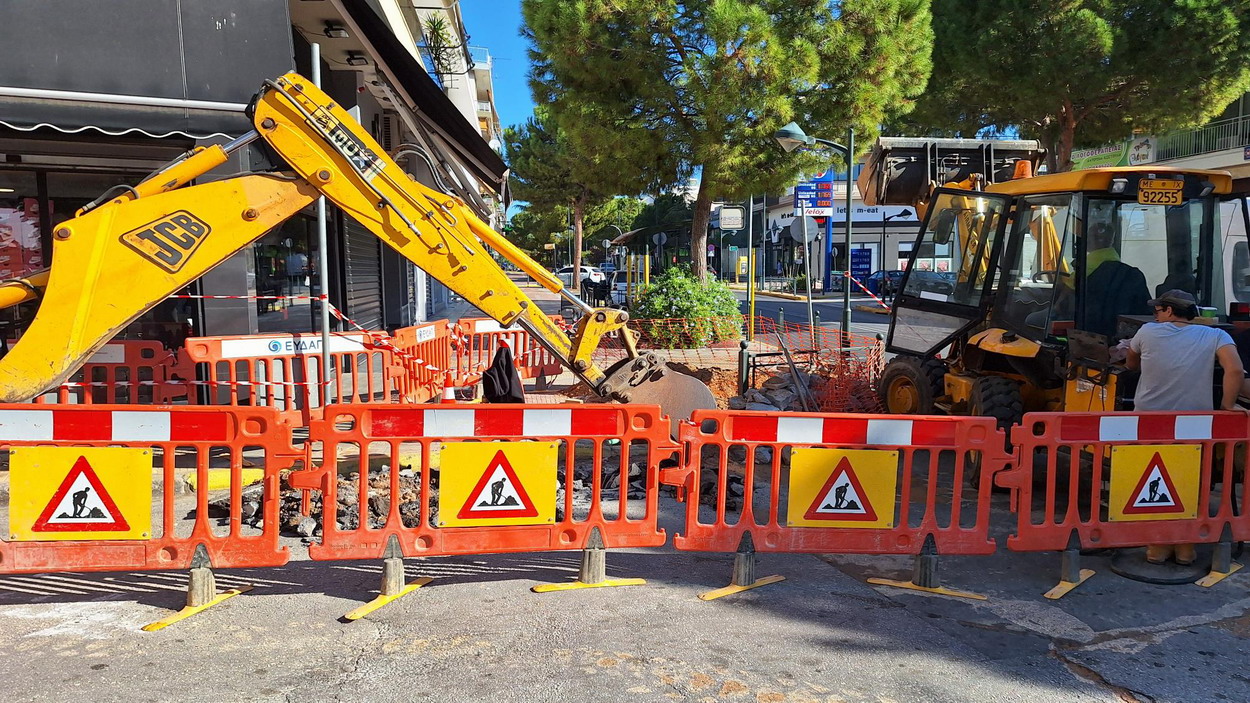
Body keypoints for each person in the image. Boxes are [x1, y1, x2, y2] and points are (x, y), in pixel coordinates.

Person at [1126, 289, 1245, 565]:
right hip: (1195, 425)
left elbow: (1131, 364)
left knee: (1152, 483)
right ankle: (1185, 549)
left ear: (1168, 310)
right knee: (1189, 483)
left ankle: (1156, 546)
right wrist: (1227, 406)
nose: (1154, 315)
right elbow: (1235, 370)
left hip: (1149, 422)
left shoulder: (1146, 332)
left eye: (1157, 310)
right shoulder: (1216, 335)